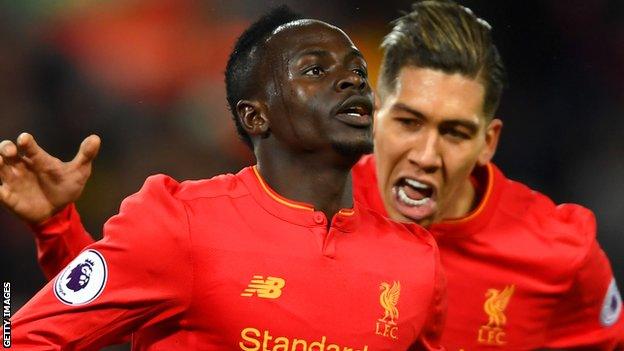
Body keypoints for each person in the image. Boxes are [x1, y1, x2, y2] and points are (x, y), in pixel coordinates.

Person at [2, 0, 622, 350]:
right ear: (255, 114)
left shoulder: (414, 259)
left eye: (356, 68)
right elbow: (36, 333)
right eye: (315, 69)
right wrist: (57, 229)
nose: (351, 77)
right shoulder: (179, 220)